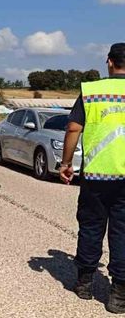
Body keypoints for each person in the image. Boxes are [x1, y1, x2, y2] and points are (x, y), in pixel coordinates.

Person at [60, 43, 125, 313]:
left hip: (96, 175)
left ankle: (85, 283)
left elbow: (74, 127)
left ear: (109, 62)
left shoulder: (91, 91)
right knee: (123, 232)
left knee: (91, 227)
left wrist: (65, 163)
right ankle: (119, 294)